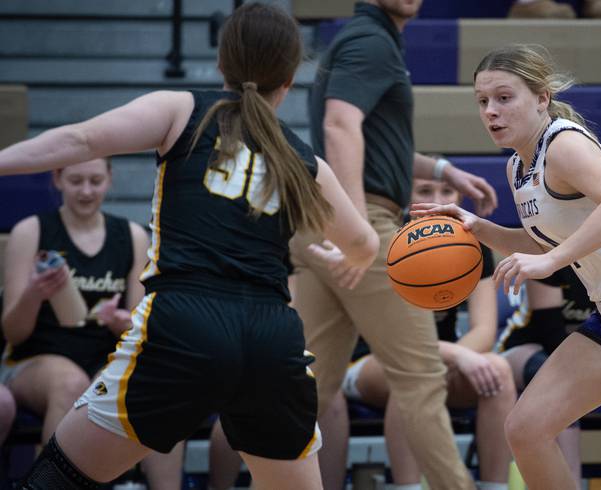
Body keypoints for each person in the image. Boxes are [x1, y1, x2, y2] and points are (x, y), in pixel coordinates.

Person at [0, 3, 379, 489]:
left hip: (185, 322)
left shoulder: (180, 109)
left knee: (58, 478)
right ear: (288, 80)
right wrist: (341, 259)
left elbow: (79, 139)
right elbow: (365, 244)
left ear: (222, 62)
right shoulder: (305, 160)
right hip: (272, 337)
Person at [411, 44, 601, 490]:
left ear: (541, 98)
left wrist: (552, 260)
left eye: (504, 97)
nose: (491, 111)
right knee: (526, 429)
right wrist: (476, 225)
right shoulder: (519, 165)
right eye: (482, 101)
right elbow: (543, 240)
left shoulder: (563, 144)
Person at [291, 1, 498, 489]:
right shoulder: (371, 40)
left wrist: (444, 172)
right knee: (423, 382)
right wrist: (359, 233)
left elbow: (376, 140)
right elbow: (340, 128)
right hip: (361, 222)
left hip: (319, 222)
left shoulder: (368, 38)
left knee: (308, 393)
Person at [0, 157, 184, 489]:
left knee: (154, 385)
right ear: (57, 179)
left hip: (105, 356)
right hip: (35, 360)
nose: (86, 191)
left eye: (95, 181)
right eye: (76, 181)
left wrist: (120, 321)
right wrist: (33, 293)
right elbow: (13, 331)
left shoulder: (131, 236)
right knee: (71, 383)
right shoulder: (31, 231)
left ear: (110, 180)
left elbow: (136, 328)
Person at [333, 177, 515, 490]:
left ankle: (494, 486)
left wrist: (459, 357)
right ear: (406, 197)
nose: (436, 199)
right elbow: (391, 341)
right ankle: (407, 486)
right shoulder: (390, 242)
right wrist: (457, 355)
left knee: (498, 372)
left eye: (446, 191)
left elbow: (485, 330)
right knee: (412, 377)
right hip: (371, 361)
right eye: (425, 191)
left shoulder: (471, 242)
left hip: (437, 362)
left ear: (457, 196)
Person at [496, 271, 601, 489]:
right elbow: (550, 333)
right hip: (526, 346)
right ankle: (571, 481)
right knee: (555, 379)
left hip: (590, 353)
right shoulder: (550, 259)